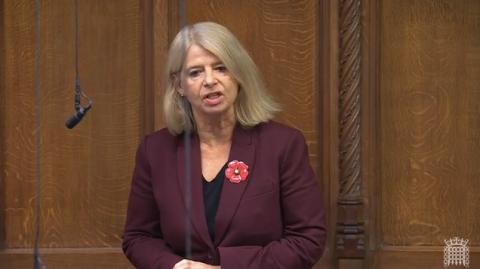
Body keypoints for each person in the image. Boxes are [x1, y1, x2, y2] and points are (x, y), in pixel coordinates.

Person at [122, 21, 326, 269]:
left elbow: (307, 238)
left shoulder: (282, 145)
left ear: (238, 75)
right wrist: (176, 267)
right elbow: (138, 237)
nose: (209, 80)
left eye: (221, 68)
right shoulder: (155, 151)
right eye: (195, 72)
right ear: (179, 85)